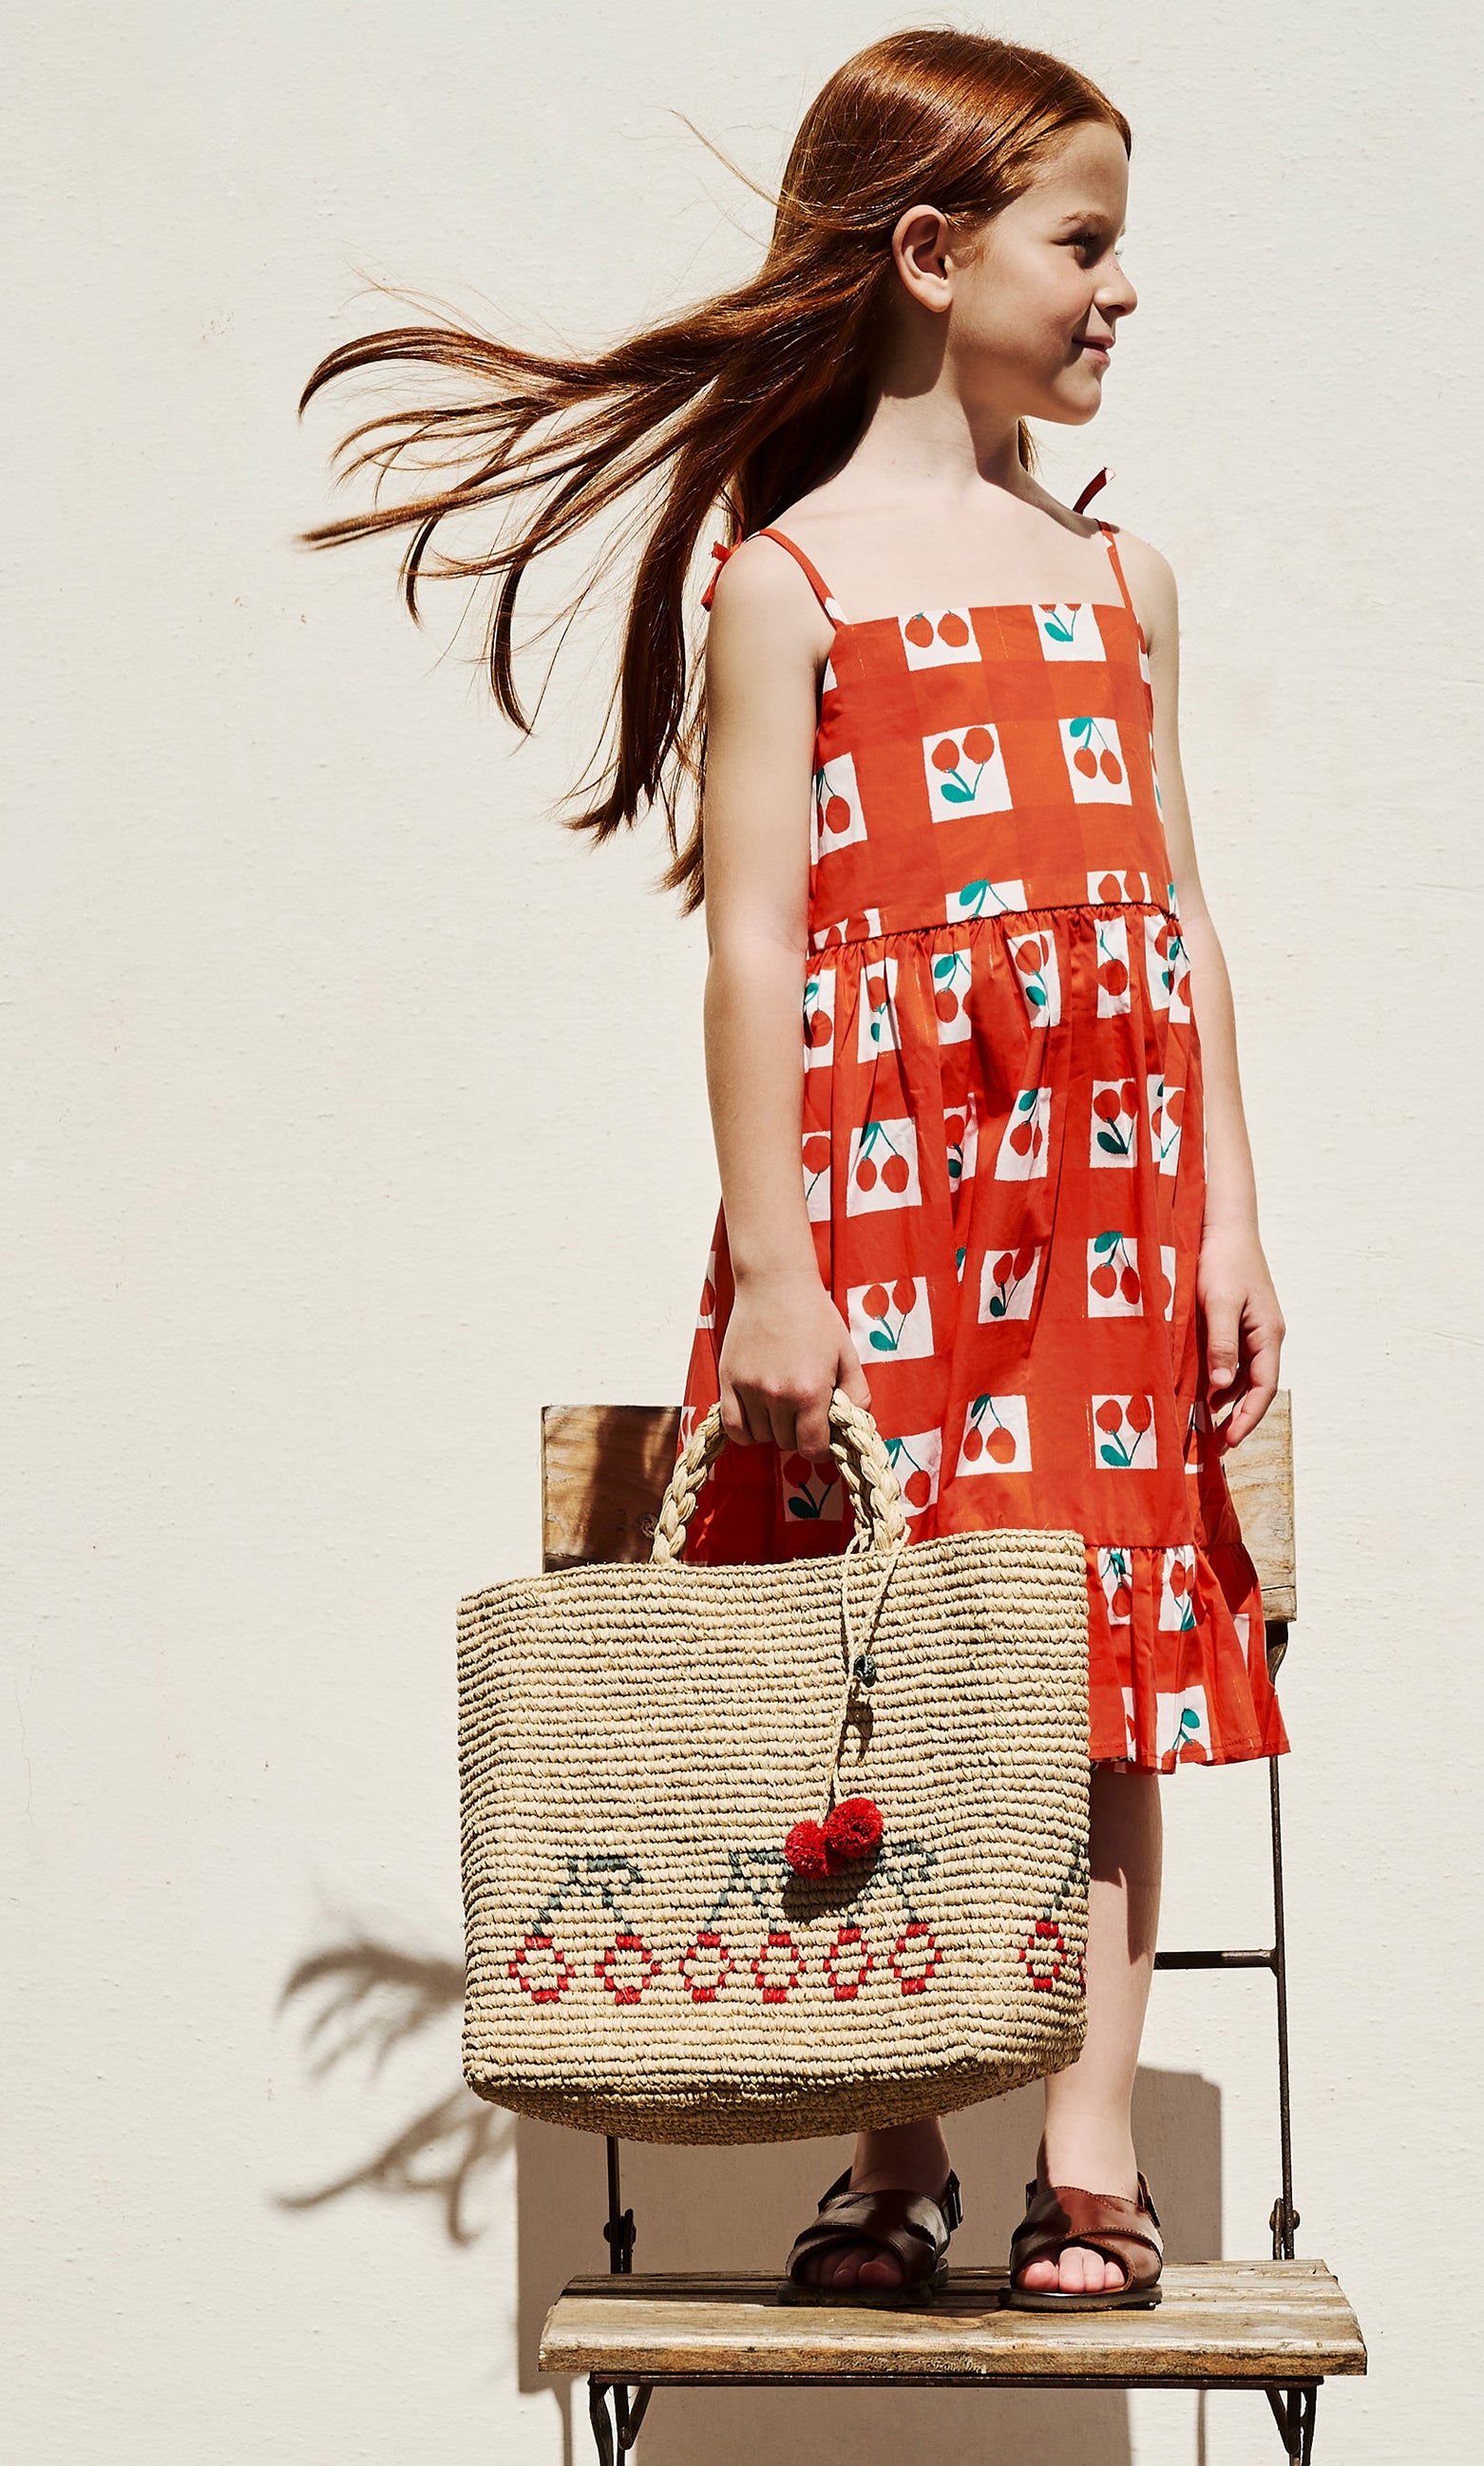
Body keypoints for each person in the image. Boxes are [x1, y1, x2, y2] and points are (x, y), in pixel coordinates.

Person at [302, 25, 1286, 2313]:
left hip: (1107, 1203)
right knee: (876, 1645)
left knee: (1095, 1658)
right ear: (933, 255)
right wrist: (774, 1261)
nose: (1122, 286)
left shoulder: (1117, 580)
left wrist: (1232, 1215)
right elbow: (752, 941)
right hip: (884, 1208)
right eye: (1083, 241)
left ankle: (1085, 2159)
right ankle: (893, 2141)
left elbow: (1179, 917)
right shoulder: (788, 585)